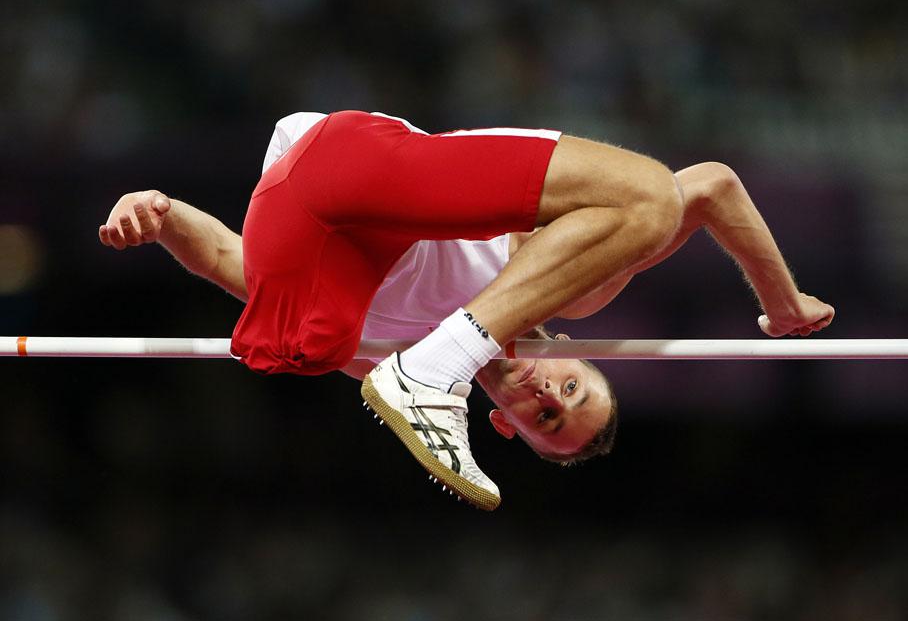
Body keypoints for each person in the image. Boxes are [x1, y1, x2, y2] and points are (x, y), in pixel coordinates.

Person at [99, 111, 835, 511]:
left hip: (299, 218)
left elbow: (236, 265)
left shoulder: (373, 357)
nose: (548, 392)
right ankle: (443, 356)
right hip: (353, 160)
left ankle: (436, 362)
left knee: (306, 337)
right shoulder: (575, 284)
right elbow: (709, 186)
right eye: (571, 388)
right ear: (572, 351)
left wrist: (161, 216)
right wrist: (785, 306)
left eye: (545, 417)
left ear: (503, 425)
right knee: (646, 201)